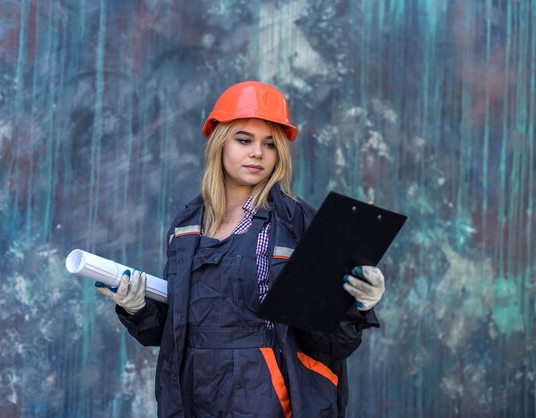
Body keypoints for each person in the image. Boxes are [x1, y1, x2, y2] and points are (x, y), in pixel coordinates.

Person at [96, 81, 385, 417]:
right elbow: (173, 331)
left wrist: (357, 306)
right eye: (244, 140)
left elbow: (329, 343)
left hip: (270, 399)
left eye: (270, 144)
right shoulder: (186, 225)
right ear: (220, 142)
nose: (257, 153)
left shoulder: (298, 224)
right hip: (194, 397)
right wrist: (137, 308)